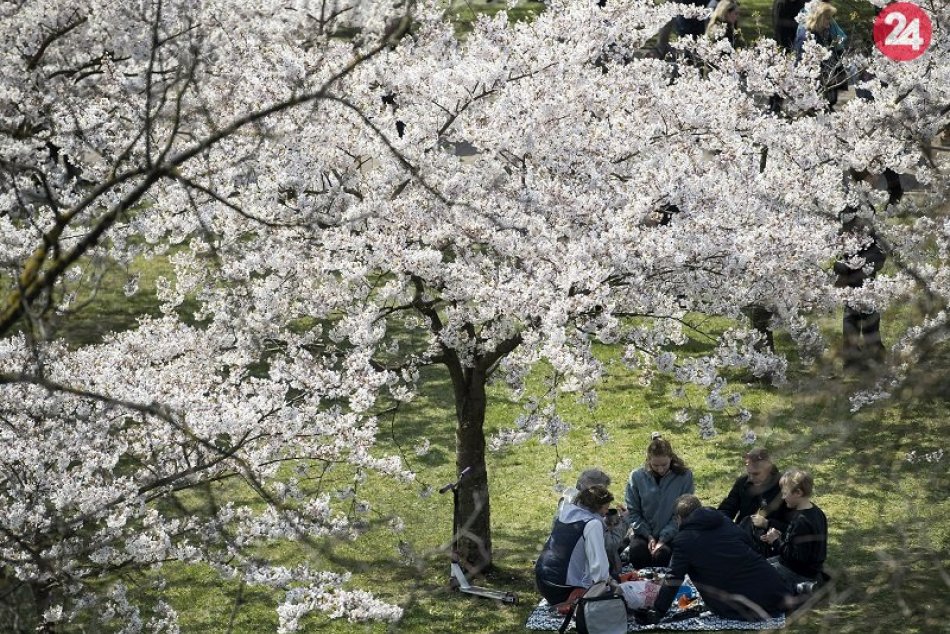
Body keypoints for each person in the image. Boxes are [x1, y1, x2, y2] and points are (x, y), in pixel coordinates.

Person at [636, 495, 790, 625]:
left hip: (739, 603)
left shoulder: (684, 540)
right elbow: (749, 545)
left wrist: (658, 611)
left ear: (679, 518)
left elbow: (673, 579)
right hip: (773, 589)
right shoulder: (724, 520)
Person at [535, 485, 615, 606]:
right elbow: (599, 567)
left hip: (541, 579)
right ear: (597, 507)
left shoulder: (566, 512)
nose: (606, 512)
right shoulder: (592, 524)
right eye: (606, 508)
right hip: (563, 589)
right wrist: (607, 586)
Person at [624, 434, 694, 568]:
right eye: (655, 465)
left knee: (662, 555)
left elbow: (683, 513)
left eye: (664, 465)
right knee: (638, 553)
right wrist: (648, 535)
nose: (660, 469)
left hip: (671, 532)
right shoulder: (637, 476)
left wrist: (663, 539)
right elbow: (633, 511)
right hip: (643, 532)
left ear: (671, 458)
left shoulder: (684, 476)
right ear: (648, 459)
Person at [833, 213, 886, 370]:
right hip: (853, 281)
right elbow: (838, 258)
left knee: (866, 320)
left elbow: (879, 257)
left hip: (865, 281)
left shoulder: (870, 234)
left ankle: (871, 358)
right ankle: (855, 359)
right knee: (852, 320)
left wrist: (858, 266)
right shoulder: (845, 232)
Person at [761, 469, 828, 592]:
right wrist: (780, 536)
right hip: (812, 568)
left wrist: (776, 542)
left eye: (785, 493)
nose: (783, 497)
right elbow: (802, 545)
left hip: (799, 571)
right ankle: (810, 582)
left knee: (758, 574)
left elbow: (796, 557)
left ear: (798, 492)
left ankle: (799, 587)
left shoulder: (801, 521)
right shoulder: (817, 512)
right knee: (759, 564)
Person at [718, 447, 795, 554]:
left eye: (756, 474)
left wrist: (767, 523)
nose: (751, 478)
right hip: (742, 536)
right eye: (749, 473)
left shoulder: (783, 488)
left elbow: (793, 527)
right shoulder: (743, 482)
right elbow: (728, 508)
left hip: (771, 543)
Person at [554, 469, 628, 576]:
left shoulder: (569, 505)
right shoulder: (592, 520)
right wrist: (624, 521)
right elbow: (608, 547)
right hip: (575, 574)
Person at [794, 1, 848, 106]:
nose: (830, 21)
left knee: (829, 104)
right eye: (827, 18)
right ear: (819, 18)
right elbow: (801, 61)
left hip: (828, 78)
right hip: (813, 81)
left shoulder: (824, 31)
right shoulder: (805, 36)